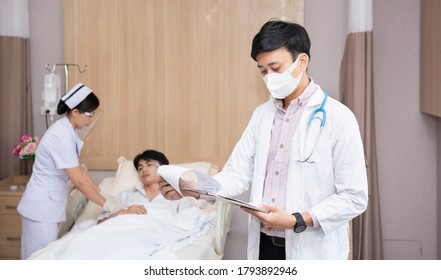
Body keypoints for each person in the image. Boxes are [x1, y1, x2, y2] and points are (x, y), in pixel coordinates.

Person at [160, 19, 368, 260]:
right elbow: (236, 174)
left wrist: (295, 220)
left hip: (311, 249)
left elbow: (354, 197)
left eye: (275, 68)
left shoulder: (338, 117)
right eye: (262, 70)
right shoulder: (262, 115)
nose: (269, 77)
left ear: (301, 62)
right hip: (264, 246)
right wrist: (193, 189)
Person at [17, 83, 125, 259]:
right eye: (89, 115)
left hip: (47, 206)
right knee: (37, 260)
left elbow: (80, 171)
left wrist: (103, 194)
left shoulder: (68, 131)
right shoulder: (61, 136)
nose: (90, 120)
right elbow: (79, 181)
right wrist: (107, 205)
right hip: (40, 209)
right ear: (75, 112)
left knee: (42, 258)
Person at [97, 149, 169, 224]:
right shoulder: (126, 195)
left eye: (149, 165)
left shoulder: (176, 195)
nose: (144, 169)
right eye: (140, 168)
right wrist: (124, 212)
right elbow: (100, 223)